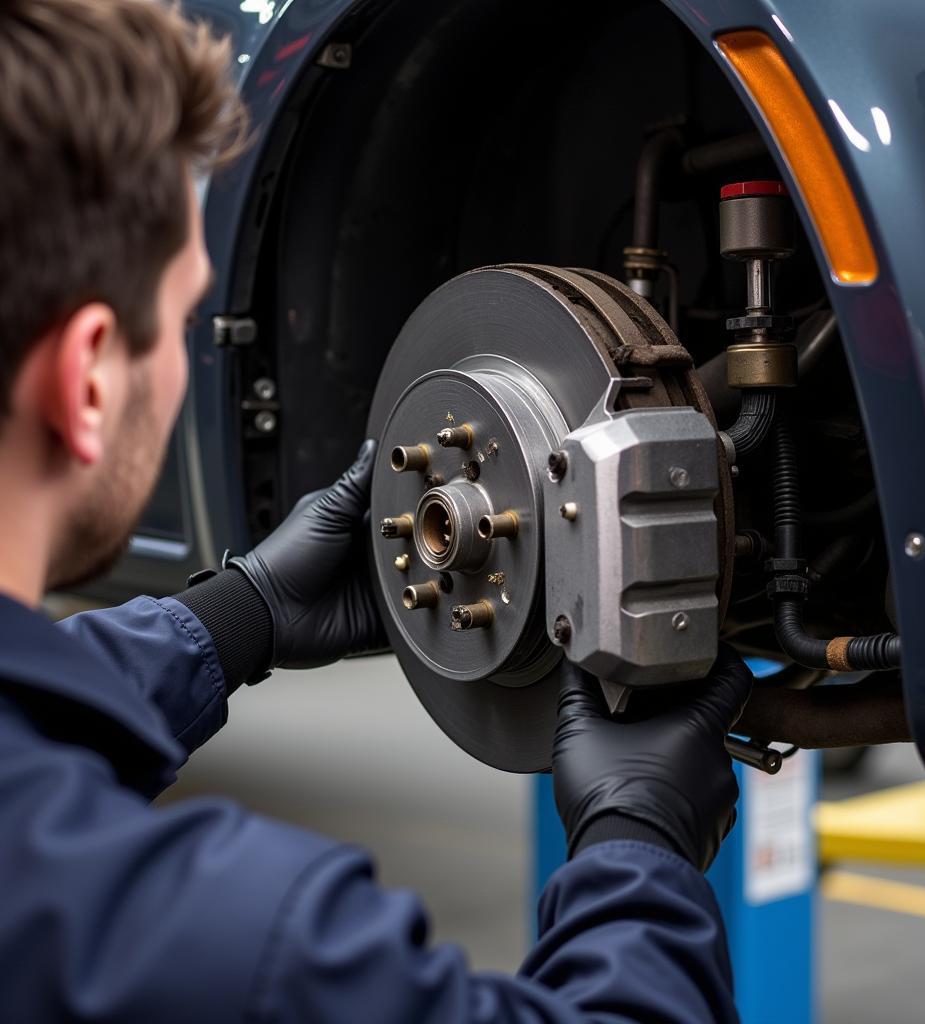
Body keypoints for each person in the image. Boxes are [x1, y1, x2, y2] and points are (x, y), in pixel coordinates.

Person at [0, 1, 752, 1020]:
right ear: (87, 379)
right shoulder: (205, 939)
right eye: (179, 316)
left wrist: (236, 616)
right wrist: (640, 836)